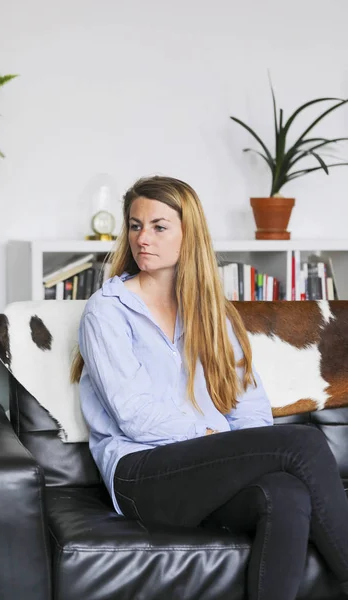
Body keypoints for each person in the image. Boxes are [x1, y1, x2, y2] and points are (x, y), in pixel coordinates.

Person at [72, 175, 348, 600]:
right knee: (303, 444)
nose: (143, 238)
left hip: (205, 471)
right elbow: (136, 415)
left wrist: (245, 455)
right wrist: (216, 440)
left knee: (285, 494)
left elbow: (247, 403)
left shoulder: (211, 314)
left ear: (189, 234)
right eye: (135, 225)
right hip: (141, 474)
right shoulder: (106, 312)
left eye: (159, 226)